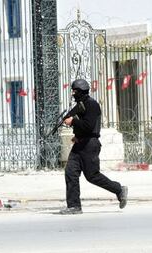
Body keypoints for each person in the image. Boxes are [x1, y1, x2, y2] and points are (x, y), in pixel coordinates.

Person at [59, 79, 128, 214]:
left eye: (75, 91)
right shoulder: (80, 105)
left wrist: (73, 121)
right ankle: (74, 206)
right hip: (80, 144)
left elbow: (89, 126)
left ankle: (119, 190)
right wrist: (77, 134)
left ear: (81, 91)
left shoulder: (92, 105)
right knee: (70, 172)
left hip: (90, 145)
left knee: (92, 176)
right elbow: (82, 126)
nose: (73, 94)